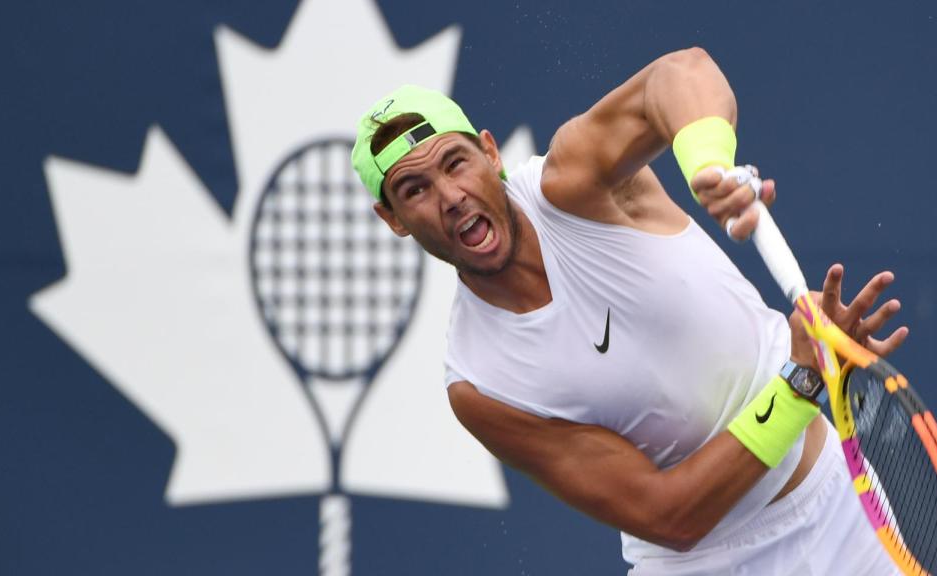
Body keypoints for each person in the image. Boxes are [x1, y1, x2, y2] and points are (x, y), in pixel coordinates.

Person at [351, 47, 908, 574]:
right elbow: (670, 515)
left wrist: (707, 164)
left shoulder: (575, 184)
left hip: (842, 507)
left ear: (490, 153)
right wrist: (801, 380)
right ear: (393, 218)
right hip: (710, 564)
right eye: (415, 189)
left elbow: (681, 71)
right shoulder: (481, 381)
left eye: (456, 163)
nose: (450, 196)